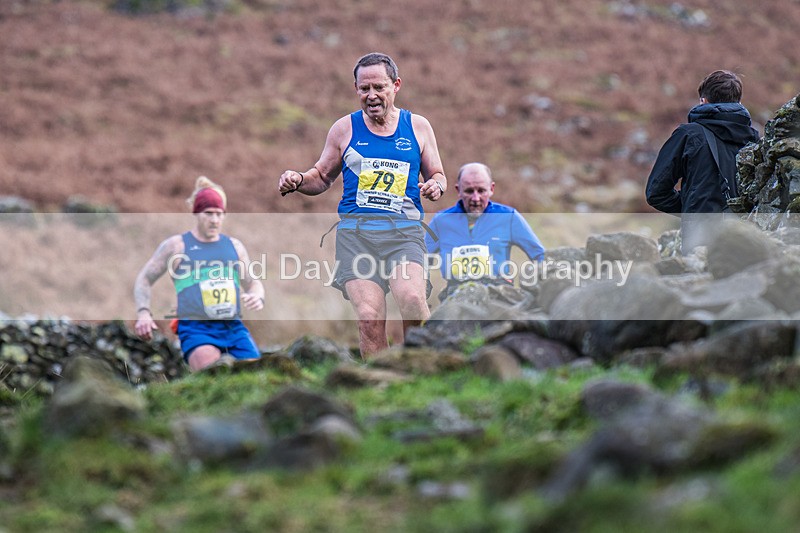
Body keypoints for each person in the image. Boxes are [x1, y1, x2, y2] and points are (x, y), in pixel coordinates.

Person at [278, 52, 447, 359]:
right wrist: (298, 179)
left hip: (404, 234)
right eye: (364, 88)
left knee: (412, 300)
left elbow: (437, 174)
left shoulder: (418, 127)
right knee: (369, 317)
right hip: (357, 237)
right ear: (356, 89)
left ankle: (422, 368)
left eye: (379, 87)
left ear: (396, 85)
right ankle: (379, 380)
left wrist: (436, 185)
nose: (371, 95)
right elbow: (322, 176)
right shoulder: (344, 129)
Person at [134, 176, 265, 372]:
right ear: (196, 213)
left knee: (257, 377)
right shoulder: (177, 246)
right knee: (213, 377)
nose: (214, 220)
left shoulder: (234, 247)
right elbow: (144, 279)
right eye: (208, 213)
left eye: (219, 214)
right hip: (196, 330)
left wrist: (257, 296)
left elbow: (253, 283)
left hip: (233, 328)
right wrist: (144, 313)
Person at [645, 70, 760, 253]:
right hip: (745, 236)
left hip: (700, 236)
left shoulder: (688, 135)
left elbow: (656, 192)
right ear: (738, 103)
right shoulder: (754, 138)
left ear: (703, 101)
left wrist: (693, 208)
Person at [426, 162, 545, 300]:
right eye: (469, 191)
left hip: (499, 295)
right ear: (458, 190)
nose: (475, 198)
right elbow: (420, 260)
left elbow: (540, 255)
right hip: (456, 296)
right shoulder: (441, 221)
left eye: (481, 191)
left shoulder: (509, 217)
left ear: (491, 189)